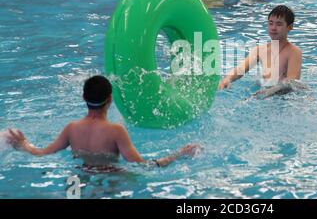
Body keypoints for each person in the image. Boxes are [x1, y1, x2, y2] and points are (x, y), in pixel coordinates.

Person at [7, 75, 199, 171]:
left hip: (81, 176)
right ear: (110, 99)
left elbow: (41, 153)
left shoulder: (71, 128)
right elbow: (143, 166)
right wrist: (179, 154)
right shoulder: (116, 131)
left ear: (83, 97)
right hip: (111, 179)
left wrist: (23, 145)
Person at [218, 5, 302, 97]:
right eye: (270, 23)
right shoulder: (260, 50)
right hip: (267, 92)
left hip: (285, 96)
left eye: (279, 24)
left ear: (290, 27)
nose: (273, 28)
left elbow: (292, 81)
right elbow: (241, 69)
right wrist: (228, 78)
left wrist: (270, 91)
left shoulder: (293, 51)